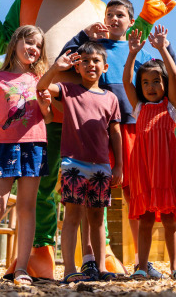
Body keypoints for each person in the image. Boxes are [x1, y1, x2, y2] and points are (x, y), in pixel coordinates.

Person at [58, 0, 176, 279]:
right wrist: (83, 35)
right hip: (101, 128)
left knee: (135, 194)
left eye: (120, 15)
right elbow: (63, 62)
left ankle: (141, 260)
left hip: (136, 127)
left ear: (130, 21)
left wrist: (165, 44)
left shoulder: (140, 51)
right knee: (91, 195)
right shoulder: (96, 49)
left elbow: (166, 73)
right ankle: (89, 258)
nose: (114, 19)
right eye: (109, 14)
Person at [0, 25, 51, 285]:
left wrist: (47, 105)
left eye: (38, 46)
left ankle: (22, 269)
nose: (34, 49)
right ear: (16, 42)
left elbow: (48, 117)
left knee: (27, 207)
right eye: (29, 42)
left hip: (34, 145)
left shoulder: (42, 79)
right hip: (3, 146)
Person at [37, 42, 122, 283]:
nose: (90, 65)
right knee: (72, 215)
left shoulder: (111, 98)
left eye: (95, 61)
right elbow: (41, 86)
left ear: (104, 67)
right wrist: (56, 67)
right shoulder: (68, 90)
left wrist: (119, 166)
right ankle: (69, 269)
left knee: (97, 219)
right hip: (73, 163)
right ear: (78, 66)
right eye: (85, 61)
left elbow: (115, 134)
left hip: (101, 166)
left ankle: (101, 268)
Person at [122, 25, 176, 280]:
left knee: (171, 219)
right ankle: (142, 266)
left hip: (166, 170)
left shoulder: (170, 106)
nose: (150, 86)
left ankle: (175, 267)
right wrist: (132, 53)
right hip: (144, 172)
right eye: (146, 82)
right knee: (146, 219)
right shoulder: (138, 108)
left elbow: (173, 72)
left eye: (156, 81)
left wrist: (162, 48)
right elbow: (126, 79)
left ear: (165, 84)